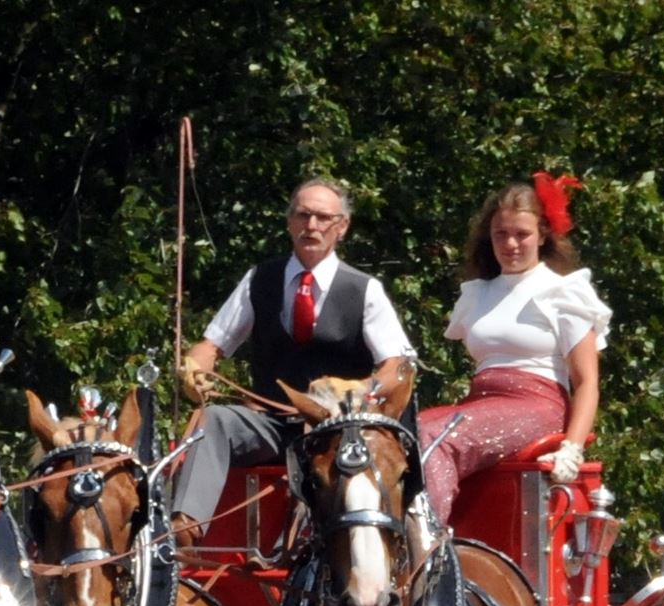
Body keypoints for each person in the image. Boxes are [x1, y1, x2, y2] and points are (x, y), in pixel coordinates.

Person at [172, 179, 416, 537]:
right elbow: (211, 345)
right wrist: (196, 367)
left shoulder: (364, 290)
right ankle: (183, 531)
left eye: (323, 218)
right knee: (213, 420)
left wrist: (363, 387)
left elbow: (399, 365)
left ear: (342, 227)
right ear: (289, 222)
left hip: (338, 428)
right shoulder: (259, 279)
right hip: (270, 423)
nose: (312, 226)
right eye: (303, 215)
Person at [417, 173, 611, 522]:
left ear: (542, 235)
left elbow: (586, 382)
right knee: (398, 434)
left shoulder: (562, 292)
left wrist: (573, 448)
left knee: (435, 439)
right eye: (501, 234)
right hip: (484, 402)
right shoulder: (479, 293)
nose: (511, 244)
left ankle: (425, 547)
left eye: (522, 234)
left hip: (538, 406)